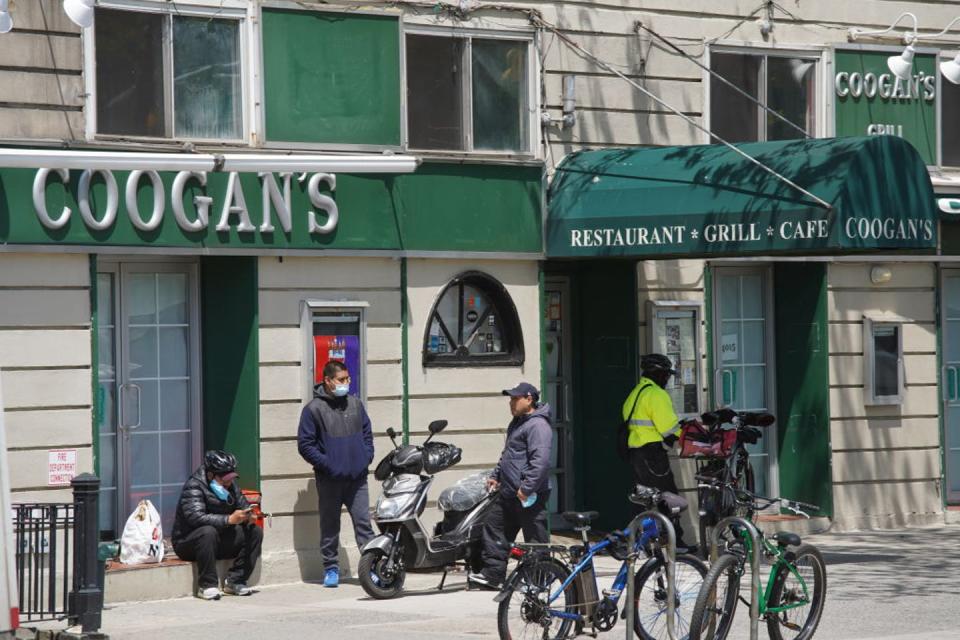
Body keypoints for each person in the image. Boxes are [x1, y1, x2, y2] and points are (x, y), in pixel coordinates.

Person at [297, 360, 375, 588]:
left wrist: (365, 457)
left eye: (347, 379)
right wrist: (328, 464)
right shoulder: (313, 409)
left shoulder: (356, 404)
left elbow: (367, 434)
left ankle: (371, 569)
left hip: (357, 478)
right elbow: (305, 445)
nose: (346, 383)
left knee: (364, 526)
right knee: (330, 525)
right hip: (330, 480)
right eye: (341, 380)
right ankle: (331, 569)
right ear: (328, 381)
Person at [468, 382, 553, 589]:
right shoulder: (517, 423)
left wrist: (526, 488)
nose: (511, 402)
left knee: (535, 539)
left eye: (515, 398)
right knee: (495, 528)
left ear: (529, 399)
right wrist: (496, 475)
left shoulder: (538, 426)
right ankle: (493, 575)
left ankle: (539, 581)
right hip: (508, 492)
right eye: (510, 398)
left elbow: (540, 462)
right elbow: (508, 454)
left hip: (528, 494)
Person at [622, 353, 695, 554]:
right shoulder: (656, 394)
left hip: (636, 453)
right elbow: (669, 429)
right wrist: (691, 436)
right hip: (652, 454)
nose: (667, 379)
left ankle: (634, 541)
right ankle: (675, 542)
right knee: (670, 498)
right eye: (666, 375)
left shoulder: (636, 392)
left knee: (642, 498)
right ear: (658, 374)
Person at [171, 450, 263, 600]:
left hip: (219, 540)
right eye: (225, 479)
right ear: (210, 475)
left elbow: (243, 505)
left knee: (255, 532)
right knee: (208, 532)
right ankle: (206, 585)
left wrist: (249, 516)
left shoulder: (230, 485)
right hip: (189, 543)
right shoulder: (194, 486)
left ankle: (235, 581)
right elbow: (196, 518)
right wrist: (229, 520)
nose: (228, 482)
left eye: (231, 478)